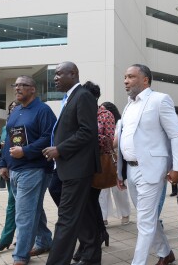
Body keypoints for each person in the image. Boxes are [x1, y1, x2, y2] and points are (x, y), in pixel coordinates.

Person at [115, 63, 178, 265]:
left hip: (152, 170)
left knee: (144, 222)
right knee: (149, 218)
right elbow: (124, 140)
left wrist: (177, 167)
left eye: (130, 77)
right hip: (131, 169)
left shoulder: (160, 100)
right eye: (125, 77)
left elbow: (175, 135)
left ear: (145, 79)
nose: (125, 81)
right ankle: (165, 252)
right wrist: (120, 172)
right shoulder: (128, 105)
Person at [42, 61, 101, 265]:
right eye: (54, 75)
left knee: (66, 219)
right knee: (84, 213)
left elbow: (88, 131)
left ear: (73, 74)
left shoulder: (83, 95)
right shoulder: (70, 98)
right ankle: (91, 256)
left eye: (59, 74)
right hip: (67, 167)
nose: (55, 78)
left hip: (77, 168)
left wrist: (60, 149)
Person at [0, 76, 56, 265]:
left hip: (34, 169)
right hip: (14, 169)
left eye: (23, 85)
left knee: (23, 214)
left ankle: (20, 256)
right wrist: (3, 163)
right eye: (16, 85)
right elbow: (8, 140)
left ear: (33, 89)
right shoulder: (15, 111)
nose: (18, 88)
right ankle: (45, 241)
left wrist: (25, 151)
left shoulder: (43, 111)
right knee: (33, 209)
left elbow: (50, 138)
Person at [71, 81, 110, 263]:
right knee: (89, 205)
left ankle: (91, 242)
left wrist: (90, 135)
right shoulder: (79, 111)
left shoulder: (105, 114)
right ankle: (95, 237)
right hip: (81, 164)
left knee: (89, 204)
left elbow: (109, 142)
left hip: (97, 165)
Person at [0, 100, 18, 251]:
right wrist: (1, 164)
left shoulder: (25, 123)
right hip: (9, 169)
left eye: (16, 106)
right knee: (14, 205)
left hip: (24, 169)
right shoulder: (5, 127)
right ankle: (8, 239)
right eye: (10, 107)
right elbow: (4, 149)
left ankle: (12, 239)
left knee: (20, 205)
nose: (13, 109)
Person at [98, 102, 131, 226]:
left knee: (119, 189)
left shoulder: (119, 123)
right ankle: (103, 217)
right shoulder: (100, 122)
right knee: (103, 190)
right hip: (103, 159)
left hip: (116, 160)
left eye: (104, 110)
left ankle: (125, 214)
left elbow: (116, 142)